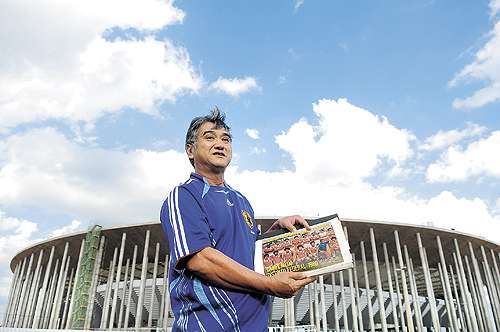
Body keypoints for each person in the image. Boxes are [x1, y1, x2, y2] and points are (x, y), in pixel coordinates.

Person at [160, 108, 315, 332]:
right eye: (210, 137)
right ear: (190, 150)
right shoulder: (183, 196)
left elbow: (250, 251)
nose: (220, 144)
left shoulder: (242, 201)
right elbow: (201, 260)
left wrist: (277, 231)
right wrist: (271, 285)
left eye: (226, 139)